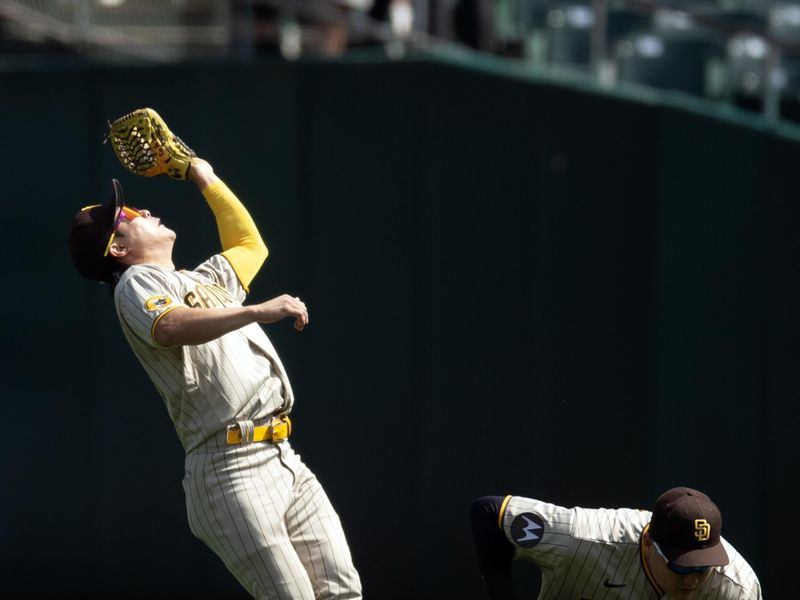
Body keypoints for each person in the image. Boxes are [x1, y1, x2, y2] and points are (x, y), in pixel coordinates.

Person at [67, 156, 362, 600]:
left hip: (282, 456)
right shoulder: (134, 282)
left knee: (342, 592)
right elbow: (169, 325)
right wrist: (257, 310)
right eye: (126, 218)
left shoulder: (200, 281)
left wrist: (202, 176)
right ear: (118, 250)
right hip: (229, 469)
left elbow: (249, 245)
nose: (142, 211)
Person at [471, 486, 762, 599]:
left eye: (703, 568)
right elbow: (489, 513)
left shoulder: (737, 589)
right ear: (648, 544)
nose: (693, 579)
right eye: (682, 568)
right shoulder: (585, 536)